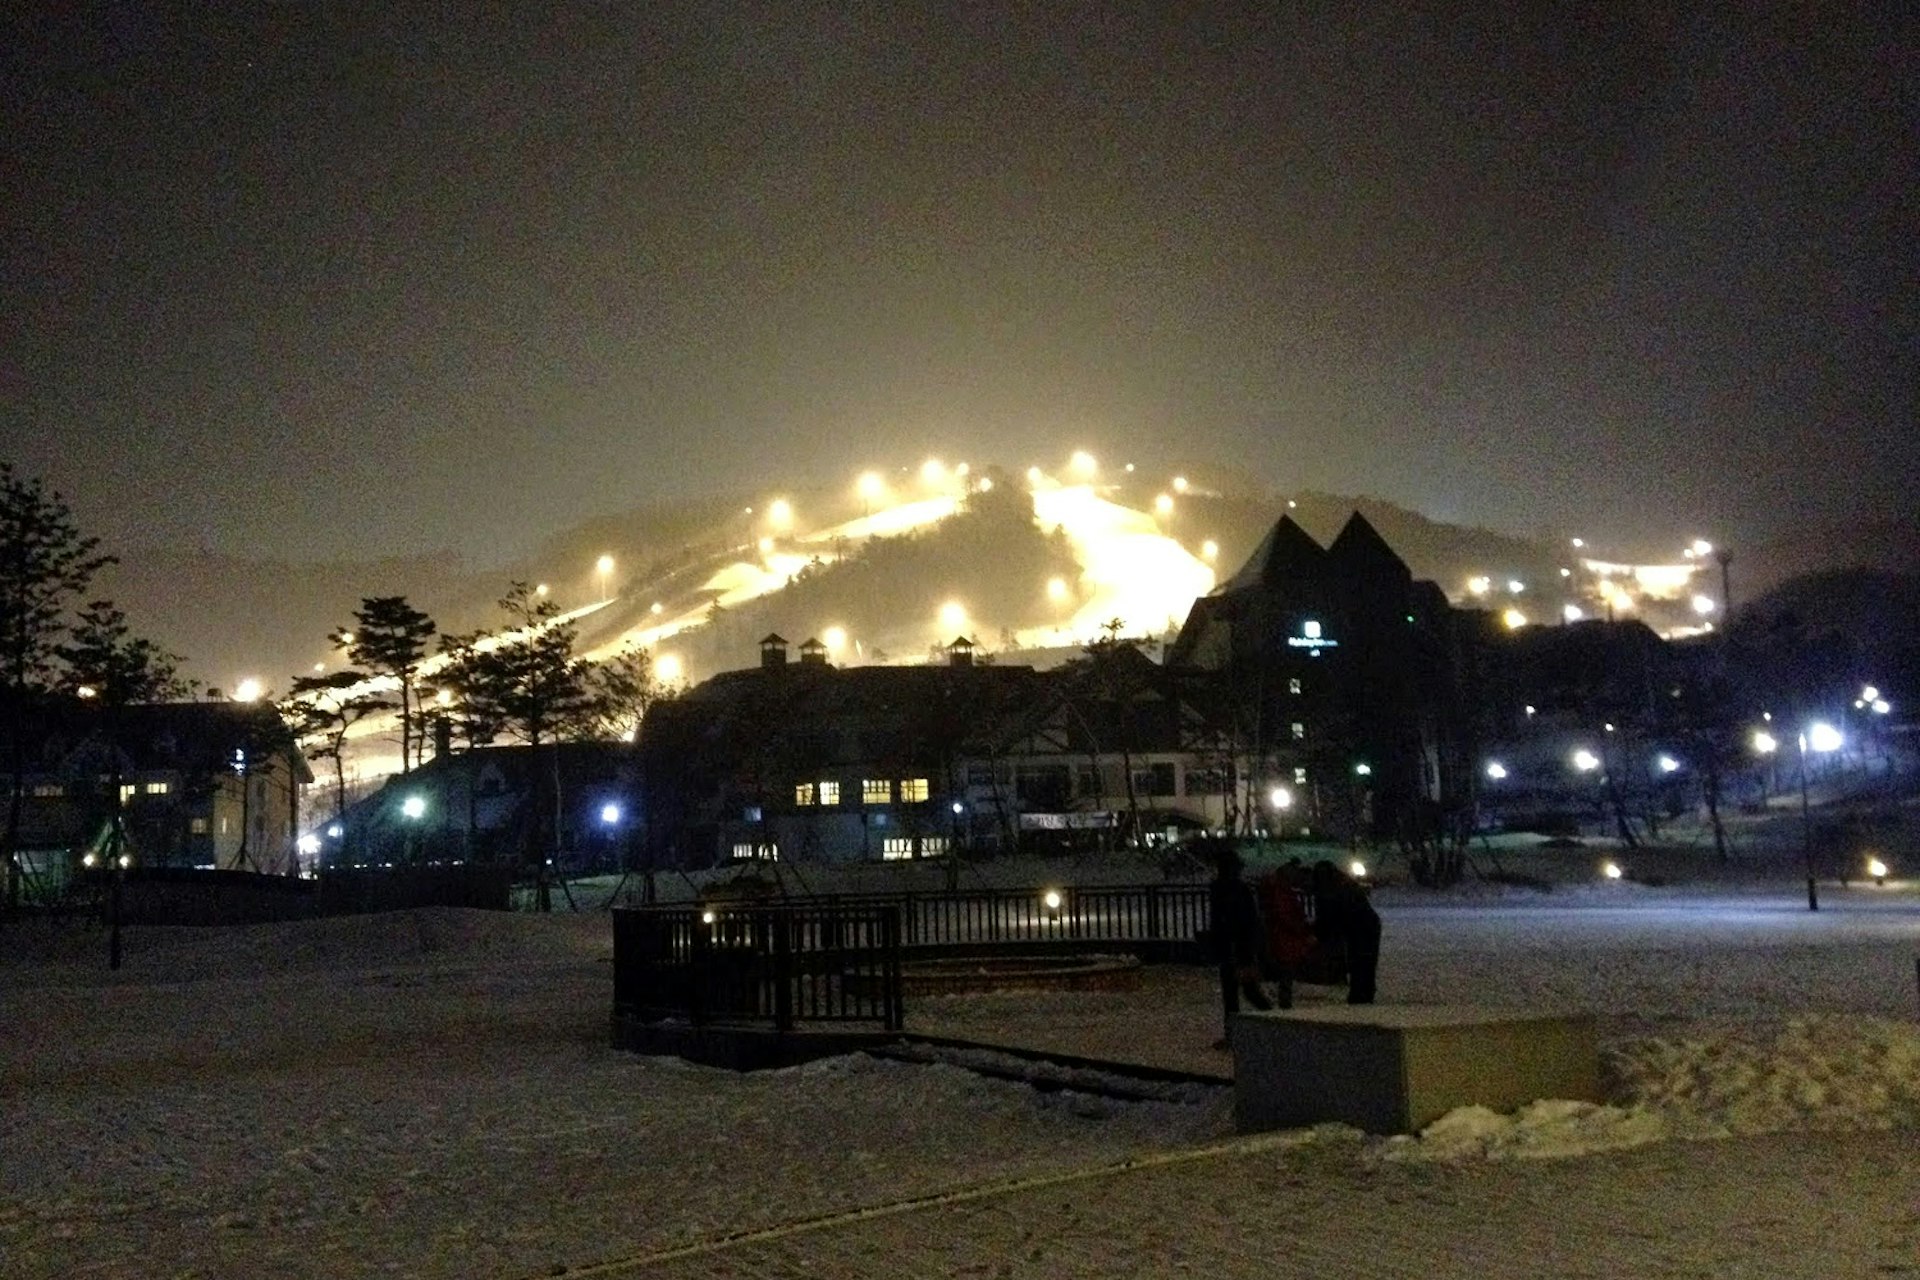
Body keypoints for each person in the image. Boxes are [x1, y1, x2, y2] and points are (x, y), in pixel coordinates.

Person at [1203, 839, 1272, 1045]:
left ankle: (1234, 1033)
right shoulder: (1239, 890)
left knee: (1235, 992)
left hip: (1233, 947)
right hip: (1240, 947)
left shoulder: (1222, 890)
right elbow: (1249, 920)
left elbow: (1225, 920)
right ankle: (1270, 1021)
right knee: (1246, 990)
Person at [1311, 860, 1381, 1004]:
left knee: (1360, 960)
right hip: (1362, 925)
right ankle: (1363, 993)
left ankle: (1361, 994)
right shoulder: (1342, 884)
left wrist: (1319, 934)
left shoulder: (1337, 889)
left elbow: (1330, 915)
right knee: (1363, 961)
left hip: (1361, 926)